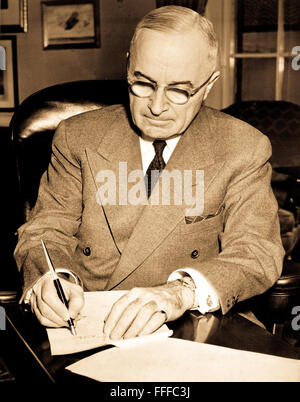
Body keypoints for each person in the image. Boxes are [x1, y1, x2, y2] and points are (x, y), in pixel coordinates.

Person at [14, 6, 284, 340]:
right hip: (89, 324)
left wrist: (180, 292)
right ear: (128, 65)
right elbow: (47, 229)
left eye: (179, 90)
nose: (156, 106)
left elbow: (257, 251)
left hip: (198, 323)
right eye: (143, 83)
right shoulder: (77, 137)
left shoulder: (244, 146)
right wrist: (52, 279)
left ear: (210, 84)